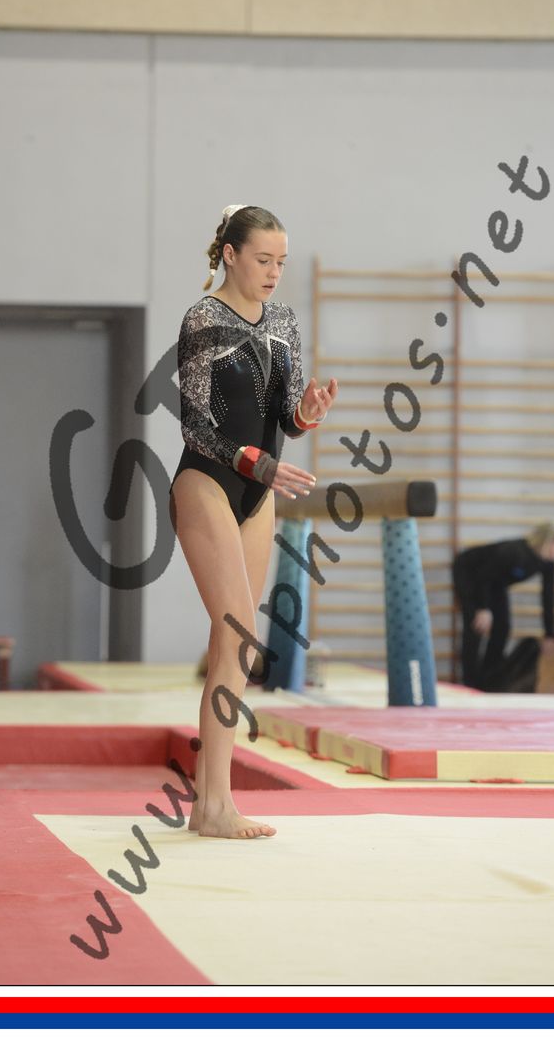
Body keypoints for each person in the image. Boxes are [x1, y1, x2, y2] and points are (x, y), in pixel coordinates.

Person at [168, 204, 338, 839]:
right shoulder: (203, 319)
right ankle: (215, 804)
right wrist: (258, 463)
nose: (273, 272)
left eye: (281, 262)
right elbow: (196, 424)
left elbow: (284, 415)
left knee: (231, 644)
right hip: (207, 482)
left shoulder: (284, 321)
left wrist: (308, 413)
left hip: (258, 493)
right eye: (264, 260)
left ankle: (210, 804)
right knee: (238, 635)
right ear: (231, 255)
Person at [452, 522, 554, 691]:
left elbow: (548, 597)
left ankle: (487, 679)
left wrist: (549, 634)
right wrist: (483, 608)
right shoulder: (515, 552)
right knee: (476, 627)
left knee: (503, 627)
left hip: (496, 581)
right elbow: (484, 576)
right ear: (547, 542)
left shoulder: (548, 563)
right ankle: (470, 684)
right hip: (470, 573)